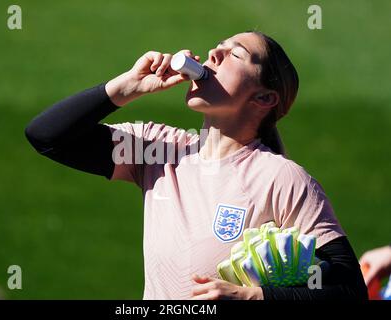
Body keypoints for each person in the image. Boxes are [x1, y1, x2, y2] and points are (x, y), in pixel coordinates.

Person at [25, 31, 367, 300]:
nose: (213, 54)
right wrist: (128, 86)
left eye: (234, 54)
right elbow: (47, 136)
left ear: (264, 98)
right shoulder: (158, 150)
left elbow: (349, 290)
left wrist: (254, 296)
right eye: (217, 47)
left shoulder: (281, 178)